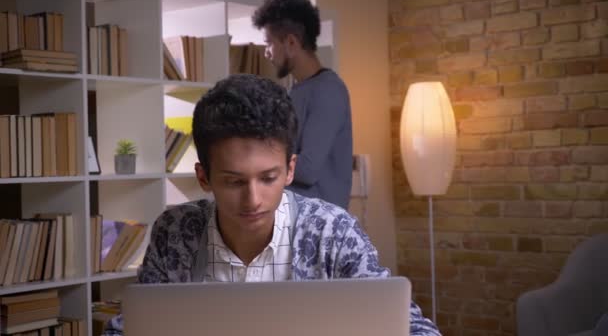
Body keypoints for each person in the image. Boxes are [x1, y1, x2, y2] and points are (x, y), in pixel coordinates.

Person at [102, 74, 440, 336]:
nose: (253, 200)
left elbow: (413, 329)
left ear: (290, 169)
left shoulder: (332, 231)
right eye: (234, 181)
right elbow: (127, 329)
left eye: (268, 178)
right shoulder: (175, 231)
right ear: (204, 177)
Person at [252, 0, 353, 209]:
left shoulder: (329, 90)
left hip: (320, 228)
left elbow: (307, 169)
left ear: (291, 43)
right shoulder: (293, 92)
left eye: (269, 43)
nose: (266, 53)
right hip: (293, 221)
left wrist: (255, 158)